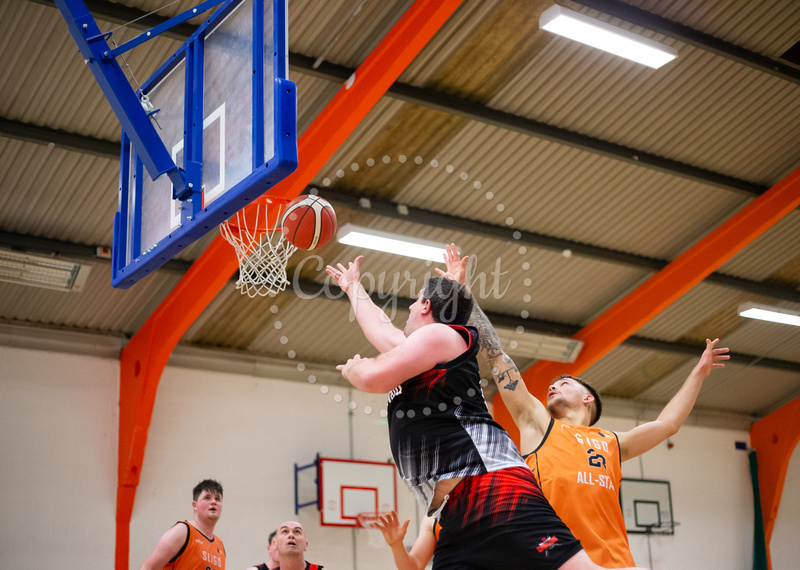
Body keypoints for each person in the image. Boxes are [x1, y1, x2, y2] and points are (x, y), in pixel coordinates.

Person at [326, 256, 644, 570]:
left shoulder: (443, 336)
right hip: (455, 511)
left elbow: (372, 379)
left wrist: (356, 369)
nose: (407, 309)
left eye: (414, 302)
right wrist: (353, 286)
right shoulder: (425, 352)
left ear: (425, 307)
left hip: (495, 485)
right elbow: (380, 331)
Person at [438, 243, 729, 567]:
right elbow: (496, 356)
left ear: (587, 397)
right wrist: (463, 295)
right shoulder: (537, 424)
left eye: (564, 382)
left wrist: (699, 373)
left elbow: (668, 424)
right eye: (552, 382)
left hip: (615, 564)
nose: (552, 385)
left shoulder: (613, 443)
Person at [140, 479, 225, 570]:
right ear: (195, 505)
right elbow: (148, 567)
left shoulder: (219, 545)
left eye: (217, 498)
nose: (213, 502)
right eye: (207, 497)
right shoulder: (183, 531)